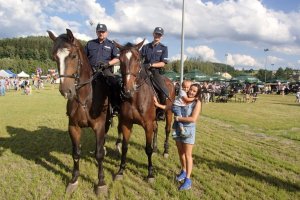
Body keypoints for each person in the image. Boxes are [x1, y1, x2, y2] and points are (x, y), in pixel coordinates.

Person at [154, 83, 202, 191]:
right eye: (190, 90)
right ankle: (183, 171)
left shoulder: (196, 102)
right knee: (181, 153)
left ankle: (188, 180)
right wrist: (158, 105)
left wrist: (179, 119)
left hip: (188, 131)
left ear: (197, 93)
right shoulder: (182, 98)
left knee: (188, 155)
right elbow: (170, 107)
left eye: (194, 91)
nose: (191, 92)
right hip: (177, 129)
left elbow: (193, 119)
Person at [84, 23, 121, 115]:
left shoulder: (111, 44)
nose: (101, 33)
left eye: (103, 32)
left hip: (105, 70)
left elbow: (117, 58)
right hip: (90, 70)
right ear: (96, 32)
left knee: (114, 82)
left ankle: (115, 105)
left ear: (106, 33)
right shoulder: (90, 43)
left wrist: (107, 64)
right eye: (99, 32)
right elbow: (84, 57)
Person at [141, 27, 169, 120]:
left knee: (164, 90)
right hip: (144, 71)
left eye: (159, 34)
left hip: (155, 72)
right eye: (156, 34)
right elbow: (139, 58)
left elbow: (163, 63)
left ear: (162, 36)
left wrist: (152, 64)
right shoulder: (145, 47)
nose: (157, 35)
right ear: (153, 34)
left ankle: (161, 112)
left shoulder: (163, 48)